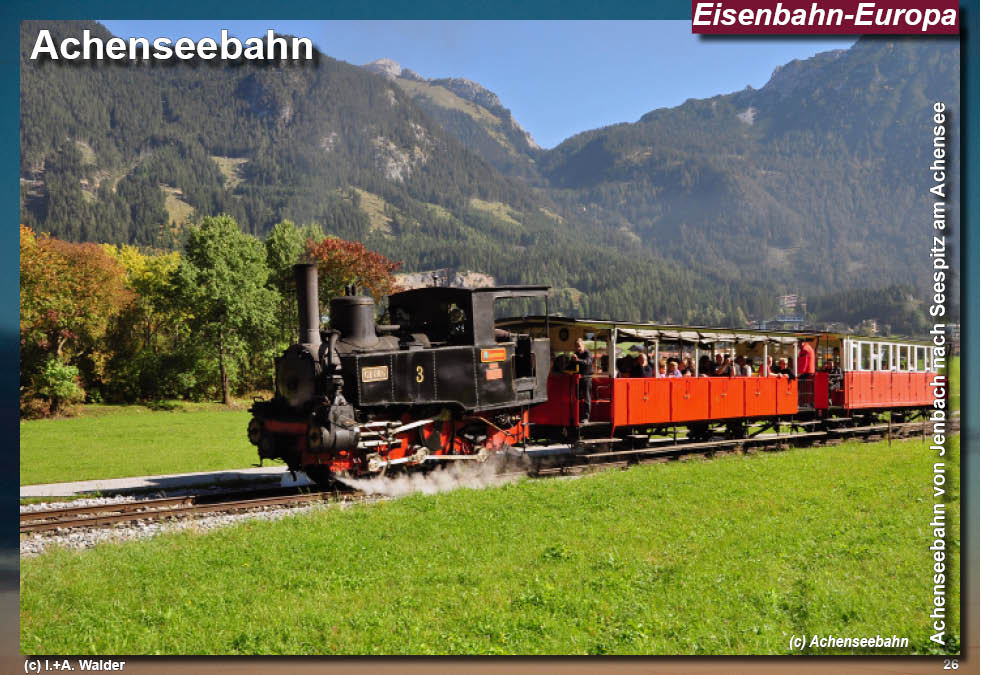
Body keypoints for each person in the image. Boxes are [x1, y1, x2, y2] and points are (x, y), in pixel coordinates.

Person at [572, 338, 593, 421]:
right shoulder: (576, 354)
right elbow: (572, 365)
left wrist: (577, 360)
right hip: (578, 379)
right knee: (576, 397)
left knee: (587, 398)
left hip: (587, 378)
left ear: (583, 345)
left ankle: (586, 418)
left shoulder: (588, 353)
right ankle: (576, 416)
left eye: (579, 346)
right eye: (576, 346)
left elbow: (587, 362)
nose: (578, 348)